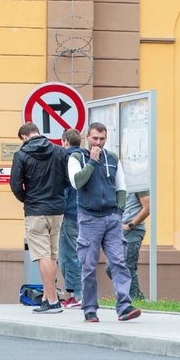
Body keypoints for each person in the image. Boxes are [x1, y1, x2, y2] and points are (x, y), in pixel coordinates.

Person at [69, 122, 141, 323]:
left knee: (119, 262)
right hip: (89, 218)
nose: (98, 143)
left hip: (111, 218)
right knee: (89, 265)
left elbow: (121, 187)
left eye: (102, 139)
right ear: (86, 137)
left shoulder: (112, 159)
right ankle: (90, 308)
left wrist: (119, 212)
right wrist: (91, 162)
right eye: (94, 138)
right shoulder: (77, 158)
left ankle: (124, 306)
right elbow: (77, 182)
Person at [9, 121, 69, 314]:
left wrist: (26, 199)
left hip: (36, 210)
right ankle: (46, 297)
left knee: (42, 255)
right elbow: (67, 180)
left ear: (24, 137)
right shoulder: (59, 151)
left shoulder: (22, 154)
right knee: (52, 255)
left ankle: (52, 300)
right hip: (57, 209)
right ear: (38, 133)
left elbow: (15, 184)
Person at [106, 189, 150, 302]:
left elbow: (147, 208)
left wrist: (131, 225)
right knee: (110, 267)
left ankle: (133, 298)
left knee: (129, 265)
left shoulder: (139, 184)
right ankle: (135, 295)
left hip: (133, 231)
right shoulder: (119, 183)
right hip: (117, 231)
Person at [59, 128, 85, 308]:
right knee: (70, 254)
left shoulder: (65, 159)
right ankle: (74, 294)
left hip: (69, 212)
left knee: (70, 255)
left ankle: (79, 295)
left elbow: (64, 187)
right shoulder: (86, 157)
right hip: (85, 211)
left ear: (65, 142)